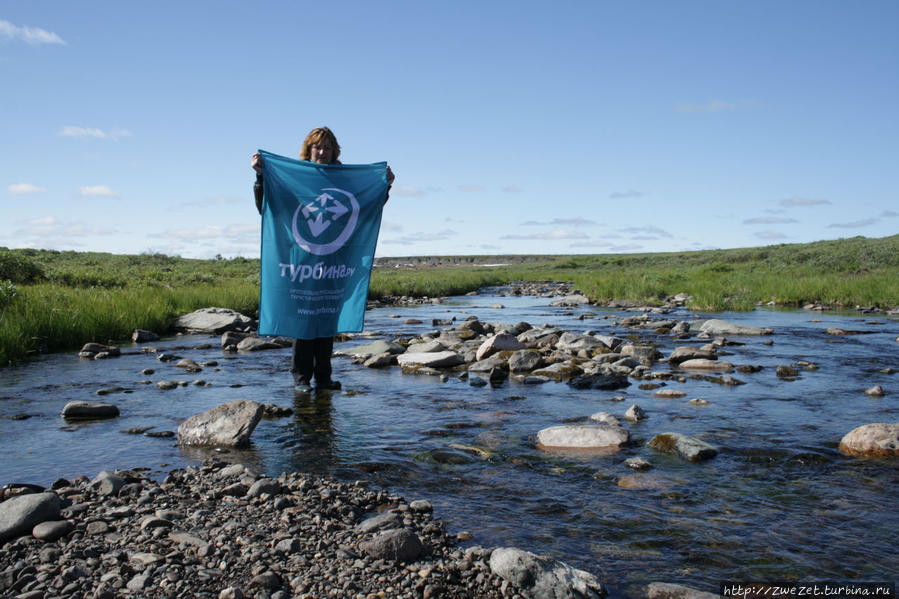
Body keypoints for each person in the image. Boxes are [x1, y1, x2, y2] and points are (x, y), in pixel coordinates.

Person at [252, 127, 393, 392]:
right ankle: (301, 379)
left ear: (334, 151)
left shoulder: (345, 181)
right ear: (309, 149)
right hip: (302, 264)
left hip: (333, 264)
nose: (322, 152)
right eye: (317, 147)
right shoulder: (295, 178)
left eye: (327, 147)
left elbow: (364, 209)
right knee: (304, 320)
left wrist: (385, 186)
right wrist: (261, 176)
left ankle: (324, 378)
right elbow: (269, 207)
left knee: (327, 320)